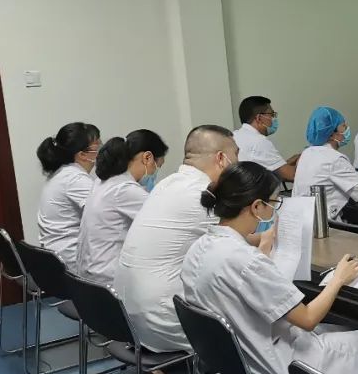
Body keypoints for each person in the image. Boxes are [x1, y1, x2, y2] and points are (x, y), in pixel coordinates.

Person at [182, 161, 358, 374]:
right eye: (274, 202)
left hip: (238, 364)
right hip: (276, 367)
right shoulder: (245, 260)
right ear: (257, 206)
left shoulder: (200, 248)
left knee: (344, 331)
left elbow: (243, 285)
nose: (274, 209)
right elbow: (308, 319)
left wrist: (263, 249)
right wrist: (338, 278)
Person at [115, 125, 245, 354]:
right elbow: (239, 243)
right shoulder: (202, 194)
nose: (238, 161)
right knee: (251, 311)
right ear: (221, 158)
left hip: (129, 313)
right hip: (162, 318)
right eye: (236, 154)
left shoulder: (167, 183)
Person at [76, 130, 168, 286]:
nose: (155, 174)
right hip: (108, 281)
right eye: (157, 166)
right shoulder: (124, 189)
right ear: (147, 158)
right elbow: (166, 224)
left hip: (89, 278)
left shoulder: (103, 181)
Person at [293, 107, 358, 219]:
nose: (347, 129)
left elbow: (327, 179)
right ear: (332, 134)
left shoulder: (307, 153)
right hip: (321, 223)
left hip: (298, 220)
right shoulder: (335, 159)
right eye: (343, 126)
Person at [36, 122, 101, 270]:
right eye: (97, 146)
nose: (102, 151)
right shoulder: (74, 179)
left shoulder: (63, 173)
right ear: (82, 154)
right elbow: (105, 217)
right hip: (71, 262)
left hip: (56, 258)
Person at [233, 96, 300, 182]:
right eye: (271, 115)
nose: (273, 119)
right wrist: (305, 160)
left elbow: (271, 169)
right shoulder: (258, 141)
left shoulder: (235, 135)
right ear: (259, 118)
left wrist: (286, 163)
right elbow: (291, 175)